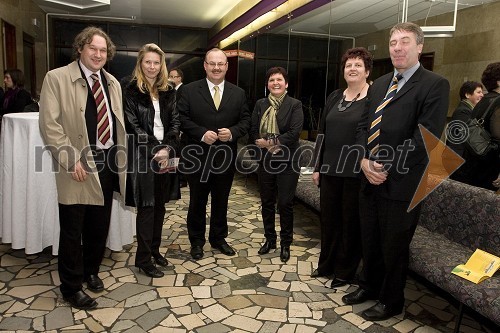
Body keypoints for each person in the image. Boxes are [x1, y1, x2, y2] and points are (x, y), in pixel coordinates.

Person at [343, 22, 449, 321]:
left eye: (405, 42)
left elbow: (426, 137)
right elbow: (363, 126)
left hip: (402, 181)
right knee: (371, 238)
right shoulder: (378, 85)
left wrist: (385, 165)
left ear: (418, 47)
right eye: (393, 43)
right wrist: (364, 160)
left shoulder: (434, 84)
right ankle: (369, 286)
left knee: (394, 245)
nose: (397, 48)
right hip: (369, 176)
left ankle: (392, 301)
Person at [39, 26, 127, 310]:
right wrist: (71, 159)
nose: (99, 54)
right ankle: (71, 287)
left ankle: (91, 271)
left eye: (103, 50)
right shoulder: (57, 78)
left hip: (107, 162)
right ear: (80, 49)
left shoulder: (112, 82)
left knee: (98, 227)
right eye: (93, 48)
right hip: (77, 164)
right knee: (72, 228)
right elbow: (49, 126)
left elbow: (116, 124)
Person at [177, 48, 250, 260]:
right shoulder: (189, 91)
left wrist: (233, 133)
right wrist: (200, 133)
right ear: (205, 66)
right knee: (197, 202)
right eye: (212, 63)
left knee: (221, 201)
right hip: (197, 157)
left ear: (227, 66)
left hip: (224, 159)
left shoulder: (238, 93)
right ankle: (196, 242)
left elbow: (245, 121)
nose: (216, 67)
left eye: (221, 64)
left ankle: (218, 239)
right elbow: (181, 118)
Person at [311, 47, 372, 287]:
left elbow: (369, 135)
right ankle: (326, 265)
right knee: (329, 221)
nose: (353, 69)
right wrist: (316, 166)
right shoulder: (335, 96)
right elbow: (322, 133)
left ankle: (345, 271)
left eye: (358, 65)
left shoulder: (373, 98)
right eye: (349, 65)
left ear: (367, 70)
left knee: (350, 224)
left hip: (355, 172)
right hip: (329, 171)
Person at [123, 43, 180, 278]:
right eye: (148, 62)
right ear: (140, 63)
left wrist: (167, 148)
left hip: (166, 155)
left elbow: (175, 123)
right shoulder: (130, 89)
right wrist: (157, 149)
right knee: (147, 207)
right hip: (143, 155)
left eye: (157, 62)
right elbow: (132, 125)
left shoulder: (169, 90)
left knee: (160, 206)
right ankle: (143, 260)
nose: (152, 67)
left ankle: (154, 252)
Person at [249, 67, 303, 263]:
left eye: (279, 79)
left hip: (288, 162)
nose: (276, 83)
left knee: (286, 203)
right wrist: (262, 145)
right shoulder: (260, 104)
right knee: (267, 202)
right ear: (267, 84)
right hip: (266, 161)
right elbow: (253, 129)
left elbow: (295, 132)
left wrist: (270, 143)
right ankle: (270, 240)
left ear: (286, 83)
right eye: (272, 80)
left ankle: (285, 244)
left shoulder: (295, 104)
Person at [454, 62, 500, 191]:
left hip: (474, 162)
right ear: (498, 82)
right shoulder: (498, 102)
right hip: (490, 166)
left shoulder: (482, 101)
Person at [447, 81, 484, 156]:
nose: (482, 95)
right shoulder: (463, 111)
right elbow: (468, 135)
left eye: (482, 92)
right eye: (479, 92)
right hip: (459, 155)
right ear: (467, 95)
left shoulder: (469, 109)